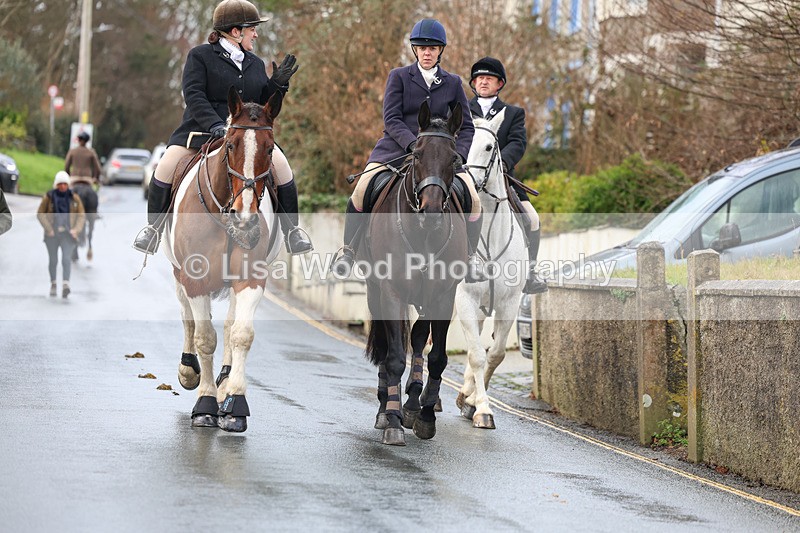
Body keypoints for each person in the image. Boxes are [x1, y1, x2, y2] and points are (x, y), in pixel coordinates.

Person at [132, 0, 312, 256]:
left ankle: (293, 232)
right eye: (252, 29)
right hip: (200, 132)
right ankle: (153, 230)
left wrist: (278, 86)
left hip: (245, 137)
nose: (256, 34)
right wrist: (215, 124)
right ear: (236, 31)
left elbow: (261, 105)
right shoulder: (200, 56)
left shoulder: (255, 63)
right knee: (165, 167)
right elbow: (193, 95)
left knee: (283, 169)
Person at [330, 18, 485, 281]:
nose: (427, 52)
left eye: (432, 48)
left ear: (440, 51)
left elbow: (467, 127)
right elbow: (391, 119)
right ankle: (348, 250)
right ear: (414, 49)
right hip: (396, 149)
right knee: (361, 189)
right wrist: (412, 145)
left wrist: (458, 155)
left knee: (475, 200)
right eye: (421, 47)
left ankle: (471, 257)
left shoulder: (453, 82)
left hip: (441, 156)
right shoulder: (399, 76)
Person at [468, 56, 547, 294]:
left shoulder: (513, 113)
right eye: (479, 78)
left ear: (499, 84)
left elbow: (518, 142)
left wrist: (501, 164)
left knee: (531, 219)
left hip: (502, 177)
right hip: (468, 177)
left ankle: (530, 273)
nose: (483, 82)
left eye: (489, 78)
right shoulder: (461, 110)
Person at [37, 171, 85, 298]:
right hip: (52, 235)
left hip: (68, 235)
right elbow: (40, 213)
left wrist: (76, 230)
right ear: (56, 185)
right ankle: (53, 283)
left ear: (68, 185)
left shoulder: (75, 198)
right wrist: (48, 229)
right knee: (53, 260)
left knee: (66, 259)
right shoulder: (48, 197)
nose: (63, 186)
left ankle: (65, 284)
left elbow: (81, 216)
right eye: (60, 184)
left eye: (65, 184)